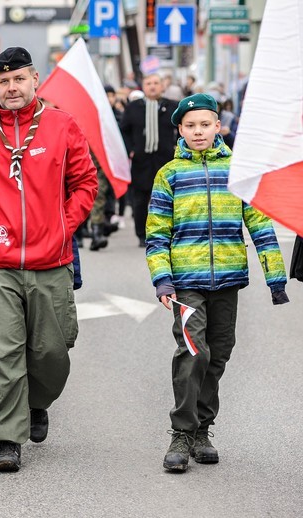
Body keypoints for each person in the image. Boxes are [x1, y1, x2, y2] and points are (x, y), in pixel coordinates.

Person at [0, 47, 97, 472]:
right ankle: (7, 439)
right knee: (2, 351)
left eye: (18, 79)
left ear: (35, 79)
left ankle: (36, 402)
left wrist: (64, 224)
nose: (11, 88)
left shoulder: (62, 125)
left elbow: (85, 182)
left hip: (51, 259)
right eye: (3, 82)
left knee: (51, 351)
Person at [145, 93, 289, 473]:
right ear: (180, 129)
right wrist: (163, 281)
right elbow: (157, 234)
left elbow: (260, 224)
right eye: (191, 126)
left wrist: (275, 278)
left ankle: (202, 430)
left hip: (227, 280)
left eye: (205, 124)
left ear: (218, 126)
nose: (198, 131)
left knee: (218, 354)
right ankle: (181, 432)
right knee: (193, 351)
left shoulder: (237, 171)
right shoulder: (169, 175)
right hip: (186, 283)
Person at [120, 73, 178, 247]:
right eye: (148, 83)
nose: (152, 86)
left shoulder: (172, 107)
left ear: (162, 86)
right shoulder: (134, 107)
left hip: (165, 159)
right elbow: (124, 130)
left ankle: (167, 233)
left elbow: (182, 129)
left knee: (167, 198)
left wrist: (177, 147)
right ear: (143, 86)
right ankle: (142, 234)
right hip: (141, 160)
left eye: (156, 83)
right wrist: (130, 150)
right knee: (140, 199)